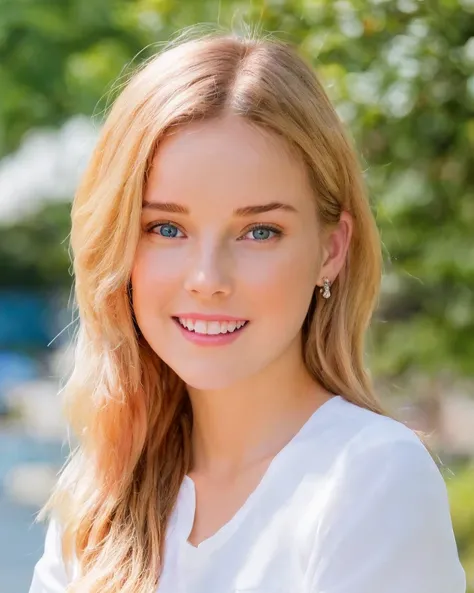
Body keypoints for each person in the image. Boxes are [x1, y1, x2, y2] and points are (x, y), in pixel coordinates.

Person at [28, 29, 466, 593]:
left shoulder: (369, 478)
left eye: (260, 231)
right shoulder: (101, 499)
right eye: (166, 228)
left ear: (330, 251)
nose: (208, 279)